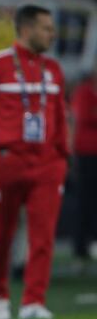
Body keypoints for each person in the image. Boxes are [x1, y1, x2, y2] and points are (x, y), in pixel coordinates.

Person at [0, 5, 68, 319]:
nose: (52, 34)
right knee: (1, 235)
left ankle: (33, 303)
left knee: (43, 236)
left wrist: (62, 158)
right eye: (46, 28)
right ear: (26, 29)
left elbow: (60, 117)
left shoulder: (53, 68)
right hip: (7, 163)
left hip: (47, 165)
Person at [71, 64, 97, 266]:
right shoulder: (83, 91)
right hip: (86, 153)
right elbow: (84, 116)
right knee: (84, 199)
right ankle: (81, 245)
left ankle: (92, 241)